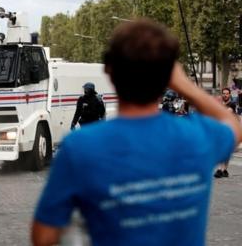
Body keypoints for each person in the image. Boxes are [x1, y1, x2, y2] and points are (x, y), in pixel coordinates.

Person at [32, 20, 242, 246]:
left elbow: (44, 236)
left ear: (109, 72)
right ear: (169, 76)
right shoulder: (198, 135)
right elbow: (232, 124)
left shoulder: (79, 147)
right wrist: (185, 85)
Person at [214, 87, 237, 178]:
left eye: (227, 93)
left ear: (230, 95)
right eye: (224, 93)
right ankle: (222, 170)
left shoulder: (232, 104)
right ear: (222, 94)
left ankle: (222, 169)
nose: (225, 95)